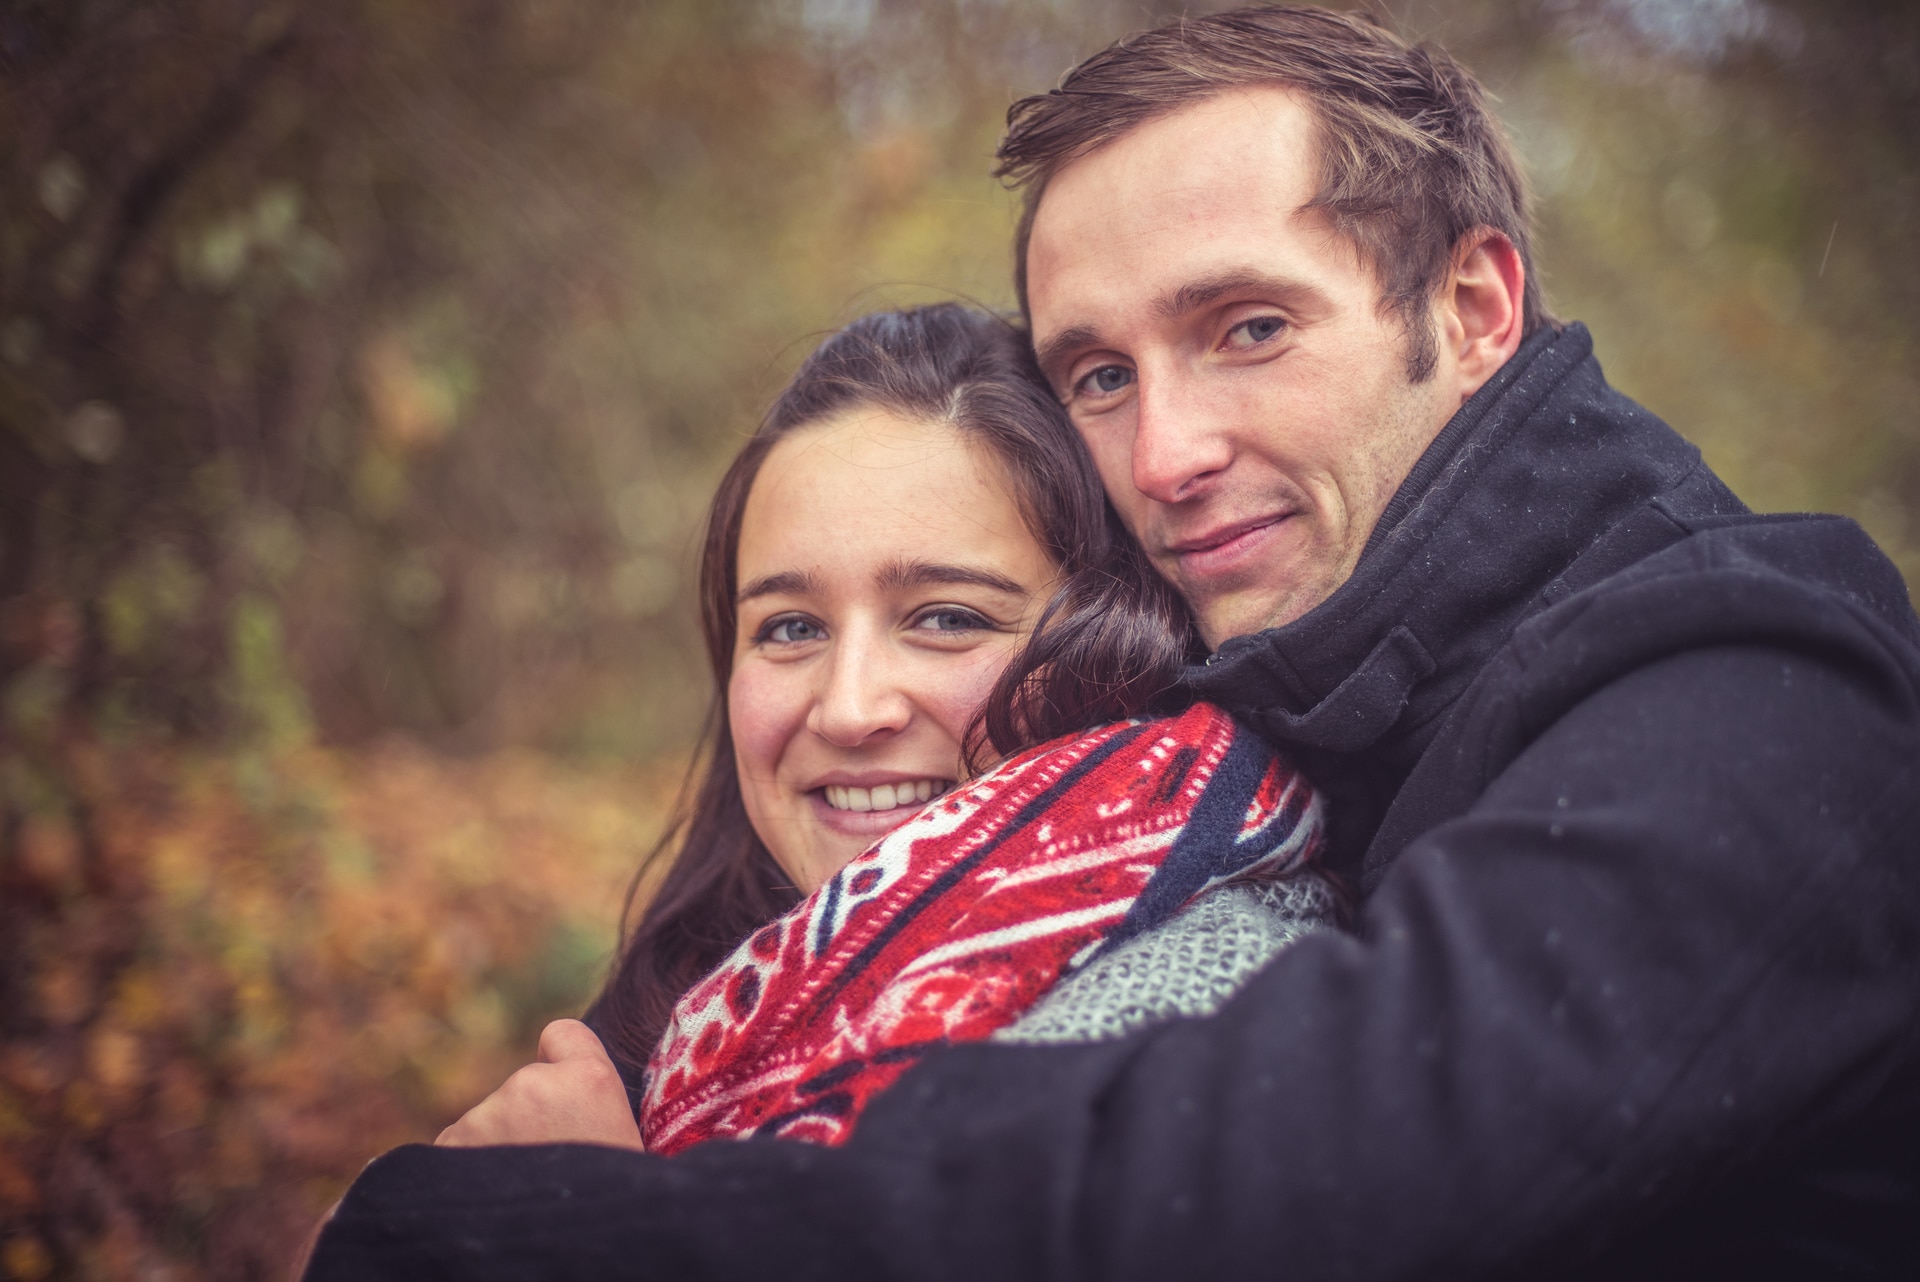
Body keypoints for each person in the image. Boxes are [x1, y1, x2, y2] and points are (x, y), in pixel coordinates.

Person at [305, 7, 1920, 1278]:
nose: (1165, 454)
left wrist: (556, 1229)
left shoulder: (1764, 685)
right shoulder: (1284, 720)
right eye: (1098, 374)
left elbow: (1292, 1182)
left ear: (1477, 308)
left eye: (1249, 328)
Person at [420, 303, 1336, 1158]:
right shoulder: (684, 1020)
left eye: (947, 618)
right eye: (791, 628)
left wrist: (586, 1213)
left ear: (1122, 640)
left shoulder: (1223, 1010)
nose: (849, 709)